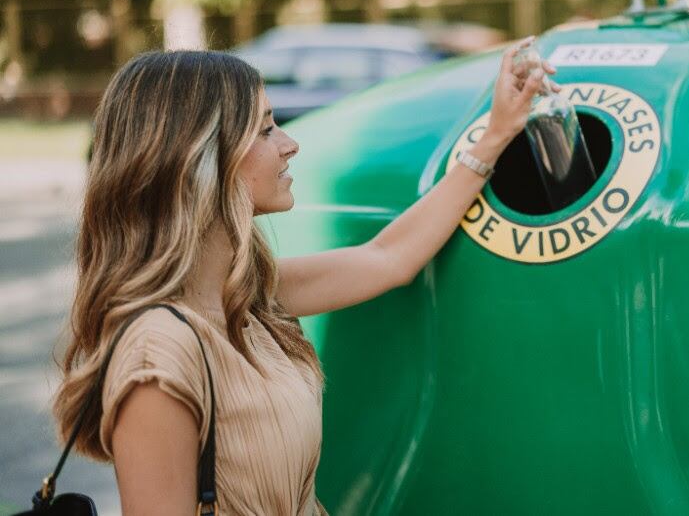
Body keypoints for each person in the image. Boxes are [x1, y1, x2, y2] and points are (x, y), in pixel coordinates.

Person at [52, 39, 557, 515]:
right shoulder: (156, 353)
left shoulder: (243, 297)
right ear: (200, 160)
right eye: (267, 129)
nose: (290, 144)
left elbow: (390, 258)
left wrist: (495, 135)